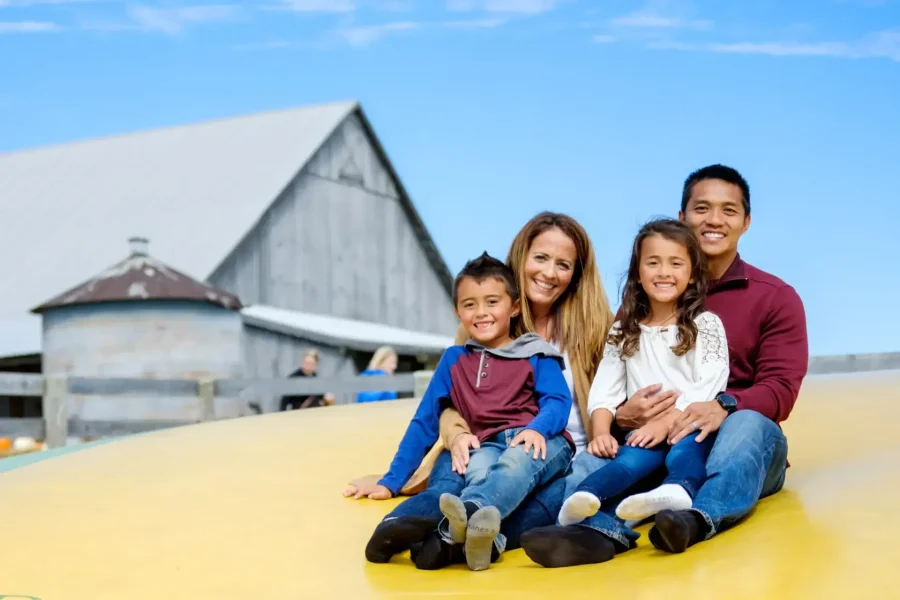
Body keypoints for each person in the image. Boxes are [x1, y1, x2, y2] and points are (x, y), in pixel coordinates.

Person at [521, 164, 808, 567]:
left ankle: (696, 519)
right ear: (682, 217)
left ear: (746, 222)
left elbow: (779, 391)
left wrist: (719, 405)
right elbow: (617, 378)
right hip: (655, 441)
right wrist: (621, 416)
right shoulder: (640, 308)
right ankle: (581, 532)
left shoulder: (775, 297)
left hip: (737, 444)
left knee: (745, 424)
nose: (713, 220)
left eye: (729, 210)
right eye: (701, 208)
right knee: (598, 462)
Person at [343, 212, 615, 569]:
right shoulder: (475, 336)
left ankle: (447, 540)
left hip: (557, 450)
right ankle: (410, 526)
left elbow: (597, 396)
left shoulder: (593, 329)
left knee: (539, 494)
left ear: (576, 273)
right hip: (484, 442)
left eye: (563, 264)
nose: (549, 272)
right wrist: (404, 471)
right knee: (460, 476)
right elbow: (441, 407)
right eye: (540, 258)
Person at [557, 218, 729, 529]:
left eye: (676, 263)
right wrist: (601, 432)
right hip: (645, 433)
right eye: (653, 262)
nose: (664, 272)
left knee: (685, 450)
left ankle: (676, 490)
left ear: (692, 276)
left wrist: (668, 420)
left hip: (688, 425)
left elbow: (711, 380)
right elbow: (604, 388)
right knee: (627, 461)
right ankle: (582, 498)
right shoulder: (624, 330)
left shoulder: (706, 324)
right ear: (638, 272)